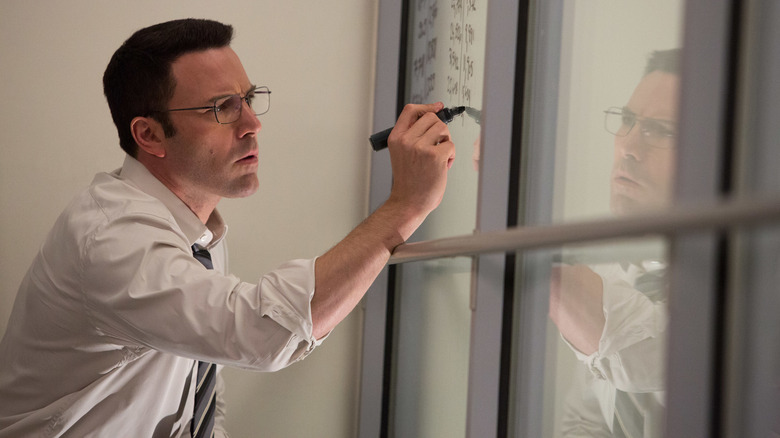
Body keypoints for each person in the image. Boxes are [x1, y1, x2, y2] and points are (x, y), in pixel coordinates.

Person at [0, 18, 455, 437]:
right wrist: (405, 206)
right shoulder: (114, 240)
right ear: (150, 136)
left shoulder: (194, 233)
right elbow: (262, 334)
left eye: (249, 100)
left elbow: (201, 383)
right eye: (223, 108)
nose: (253, 125)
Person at [548, 48, 680, 437]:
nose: (628, 147)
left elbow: (641, 358)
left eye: (662, 130)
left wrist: (515, 207)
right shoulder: (618, 266)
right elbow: (585, 420)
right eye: (628, 121)